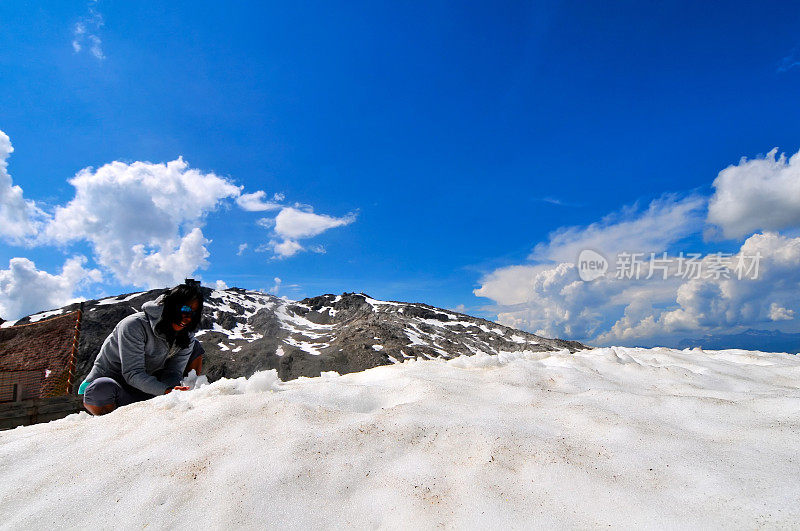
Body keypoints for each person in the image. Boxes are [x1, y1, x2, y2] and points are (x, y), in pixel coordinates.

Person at [80, 280, 204, 416]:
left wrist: (172, 390)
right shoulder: (134, 325)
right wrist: (165, 391)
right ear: (170, 306)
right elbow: (133, 373)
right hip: (115, 387)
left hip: (146, 388)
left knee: (195, 347)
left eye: (193, 313)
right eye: (185, 309)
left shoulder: (186, 334)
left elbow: (173, 372)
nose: (188, 318)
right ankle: (109, 426)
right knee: (101, 388)